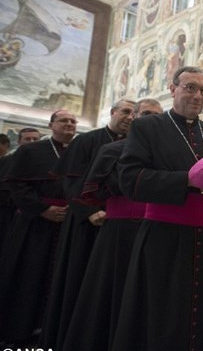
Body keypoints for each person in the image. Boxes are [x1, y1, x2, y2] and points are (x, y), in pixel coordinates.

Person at [113, 67, 203, 351]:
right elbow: (130, 180)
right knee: (162, 313)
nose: (198, 95)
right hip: (162, 241)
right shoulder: (147, 128)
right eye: (190, 88)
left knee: (202, 309)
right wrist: (186, 180)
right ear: (173, 88)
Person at [61, 99, 163, 351]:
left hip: (154, 233)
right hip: (118, 234)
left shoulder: (165, 153)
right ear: (136, 118)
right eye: (146, 114)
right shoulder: (110, 150)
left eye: (157, 116)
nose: (152, 120)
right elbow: (91, 190)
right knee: (109, 295)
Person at [41, 99, 136, 350]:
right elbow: (71, 183)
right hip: (86, 224)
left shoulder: (140, 145)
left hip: (118, 226)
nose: (129, 117)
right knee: (79, 284)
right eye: (125, 112)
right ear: (112, 113)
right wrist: (91, 211)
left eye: (134, 114)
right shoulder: (87, 141)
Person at [0, 111, 76, 347]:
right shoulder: (30, 151)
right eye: (64, 120)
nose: (69, 124)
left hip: (66, 224)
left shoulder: (79, 152)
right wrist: (43, 209)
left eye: (73, 121)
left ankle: (48, 328)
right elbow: (17, 186)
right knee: (27, 276)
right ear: (51, 125)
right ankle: (18, 330)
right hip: (33, 226)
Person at [0, 128, 41, 253]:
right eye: (27, 139)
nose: (32, 142)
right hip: (5, 214)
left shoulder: (45, 164)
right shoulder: (4, 162)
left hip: (31, 217)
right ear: (19, 142)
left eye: (35, 139)